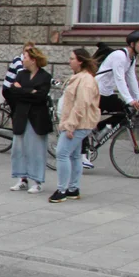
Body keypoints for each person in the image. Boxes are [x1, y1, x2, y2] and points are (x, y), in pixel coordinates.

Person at [85, 30, 139, 169]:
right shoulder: (120, 56)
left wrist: (138, 98)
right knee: (85, 122)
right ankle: (82, 155)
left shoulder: (131, 59)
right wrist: (129, 100)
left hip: (106, 93)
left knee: (125, 113)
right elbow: (120, 79)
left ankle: (97, 129)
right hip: (95, 92)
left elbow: (131, 79)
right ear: (132, 44)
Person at [50, 48, 101, 204]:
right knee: (74, 155)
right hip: (79, 123)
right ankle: (73, 189)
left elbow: (81, 105)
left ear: (80, 61)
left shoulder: (85, 80)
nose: (69, 61)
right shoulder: (80, 77)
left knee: (62, 153)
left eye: (72, 58)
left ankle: (62, 190)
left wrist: (70, 126)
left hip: (78, 124)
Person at [8, 45, 53, 194]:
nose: (23, 60)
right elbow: (13, 92)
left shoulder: (45, 76)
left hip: (37, 118)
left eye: (25, 57)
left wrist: (23, 90)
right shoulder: (21, 74)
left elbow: (40, 96)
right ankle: (22, 179)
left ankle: (38, 181)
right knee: (19, 149)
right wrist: (29, 91)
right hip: (21, 115)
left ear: (33, 60)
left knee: (36, 150)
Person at [1, 41, 36, 107]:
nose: (28, 52)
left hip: (18, 89)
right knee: (19, 109)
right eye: (26, 50)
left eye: (30, 51)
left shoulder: (30, 62)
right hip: (8, 89)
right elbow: (21, 73)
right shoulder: (18, 60)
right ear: (23, 51)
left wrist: (52, 81)